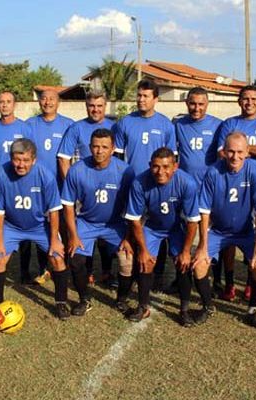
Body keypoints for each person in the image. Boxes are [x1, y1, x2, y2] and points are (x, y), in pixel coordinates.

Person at [192, 132, 256, 325]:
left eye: (240, 152)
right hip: (218, 231)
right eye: (231, 152)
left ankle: (252, 311)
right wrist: (202, 245)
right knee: (199, 264)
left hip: (245, 232)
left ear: (247, 153)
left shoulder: (254, 172)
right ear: (224, 152)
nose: (235, 157)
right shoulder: (213, 172)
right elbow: (204, 211)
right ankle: (207, 306)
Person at [0, 139, 69, 320]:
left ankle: (61, 302)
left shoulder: (45, 175)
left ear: (34, 159)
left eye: (25, 160)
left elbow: (55, 211)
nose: (20, 165)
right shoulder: (1, 173)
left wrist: (55, 240)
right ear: (11, 158)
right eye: (16, 160)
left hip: (40, 226)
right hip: (12, 226)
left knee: (57, 257)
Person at [61, 129, 135, 316]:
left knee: (127, 259)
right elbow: (68, 206)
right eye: (95, 146)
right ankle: (84, 299)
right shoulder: (77, 170)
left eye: (104, 147)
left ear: (113, 149)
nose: (99, 151)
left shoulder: (125, 171)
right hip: (87, 222)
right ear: (90, 147)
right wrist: (73, 236)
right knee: (75, 258)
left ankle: (121, 299)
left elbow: (133, 207)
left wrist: (128, 236)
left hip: (115, 224)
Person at [212, 85, 256, 301]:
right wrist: (251, 151)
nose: (249, 102)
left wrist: (244, 150)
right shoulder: (230, 123)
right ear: (239, 101)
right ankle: (229, 283)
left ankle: (250, 283)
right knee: (229, 236)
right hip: (230, 183)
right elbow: (221, 151)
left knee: (254, 234)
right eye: (245, 99)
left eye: (253, 99)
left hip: (255, 186)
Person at [124, 147, 200, 326]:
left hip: (177, 228)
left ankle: (184, 309)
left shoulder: (187, 183)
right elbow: (135, 220)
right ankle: (143, 306)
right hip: (152, 227)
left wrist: (186, 251)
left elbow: (192, 221)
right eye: (156, 167)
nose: (161, 172)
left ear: (175, 166)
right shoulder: (139, 183)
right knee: (145, 262)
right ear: (150, 166)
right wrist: (142, 250)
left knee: (183, 264)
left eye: (166, 167)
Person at [113, 79, 176, 290]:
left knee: (159, 227)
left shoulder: (166, 124)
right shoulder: (124, 123)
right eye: (139, 95)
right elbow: (119, 158)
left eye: (146, 96)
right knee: (132, 227)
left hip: (158, 186)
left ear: (155, 99)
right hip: (133, 186)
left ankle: (156, 274)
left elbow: (172, 159)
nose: (141, 99)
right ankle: (129, 275)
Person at [57, 90, 116, 287]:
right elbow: (63, 158)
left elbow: (120, 158)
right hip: (84, 188)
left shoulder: (114, 126)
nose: (95, 110)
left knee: (107, 232)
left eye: (99, 106)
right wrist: (73, 186)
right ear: (86, 106)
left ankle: (107, 271)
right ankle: (88, 271)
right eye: (92, 106)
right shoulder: (76, 128)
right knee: (85, 231)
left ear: (105, 106)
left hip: (108, 187)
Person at [0, 91, 39, 285]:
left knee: (23, 225)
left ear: (14, 104)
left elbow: (32, 157)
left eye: (8, 102)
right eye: (1, 102)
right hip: (0, 185)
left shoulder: (25, 128)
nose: (5, 105)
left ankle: (24, 271)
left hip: (21, 185)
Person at [25, 89, 73, 284]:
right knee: (40, 226)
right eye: (44, 98)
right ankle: (44, 267)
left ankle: (67, 264)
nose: (47, 102)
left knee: (64, 225)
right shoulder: (30, 125)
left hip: (61, 186)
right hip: (36, 187)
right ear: (39, 102)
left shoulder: (68, 125)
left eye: (51, 99)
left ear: (58, 102)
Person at [174, 87, 222, 186]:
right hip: (184, 183)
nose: (196, 108)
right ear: (186, 103)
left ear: (207, 104)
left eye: (201, 104)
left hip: (209, 183)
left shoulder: (218, 125)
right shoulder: (178, 124)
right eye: (193, 104)